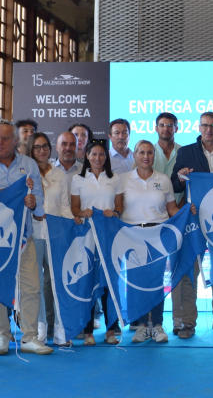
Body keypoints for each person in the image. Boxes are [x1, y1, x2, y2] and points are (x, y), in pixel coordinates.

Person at [0, 120, 53, 356]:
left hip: (24, 235)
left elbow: (39, 199)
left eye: (5, 139)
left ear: (15, 141)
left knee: (31, 287)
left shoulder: (29, 164)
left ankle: (30, 337)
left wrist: (33, 203)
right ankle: (2, 335)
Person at [172, 112, 213, 339]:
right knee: (191, 272)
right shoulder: (186, 152)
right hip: (194, 219)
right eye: (205, 125)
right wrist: (181, 178)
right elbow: (176, 185)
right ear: (198, 127)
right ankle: (189, 322)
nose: (209, 129)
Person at [124, 140, 190, 344]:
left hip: (158, 236)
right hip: (132, 237)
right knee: (136, 283)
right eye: (142, 152)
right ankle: (142, 326)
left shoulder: (164, 179)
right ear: (134, 155)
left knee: (156, 281)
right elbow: (117, 209)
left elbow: (171, 210)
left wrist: (188, 211)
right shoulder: (123, 180)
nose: (146, 156)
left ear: (154, 156)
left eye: (150, 153)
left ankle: (158, 325)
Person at [71, 140, 124, 345]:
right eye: (94, 154)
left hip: (110, 237)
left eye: (102, 155)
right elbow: (75, 208)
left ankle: (111, 329)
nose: (98, 158)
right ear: (87, 156)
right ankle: (88, 332)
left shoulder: (115, 179)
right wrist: (81, 212)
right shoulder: (77, 179)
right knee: (88, 282)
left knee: (110, 282)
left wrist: (115, 212)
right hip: (86, 237)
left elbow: (120, 206)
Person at [26, 132, 76, 346]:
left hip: (56, 234)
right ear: (31, 149)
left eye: (45, 146)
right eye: (37, 147)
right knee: (34, 285)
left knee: (58, 283)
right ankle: (39, 331)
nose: (42, 150)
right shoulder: (25, 173)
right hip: (33, 234)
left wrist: (71, 227)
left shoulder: (60, 174)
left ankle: (60, 331)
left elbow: (65, 206)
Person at [151, 113, 187, 335]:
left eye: (170, 125)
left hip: (178, 217)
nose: (166, 129)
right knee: (152, 272)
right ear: (156, 128)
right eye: (162, 125)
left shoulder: (185, 152)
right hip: (151, 220)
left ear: (177, 127)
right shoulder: (146, 152)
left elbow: (190, 185)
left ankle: (178, 319)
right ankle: (148, 321)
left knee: (177, 269)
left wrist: (181, 210)